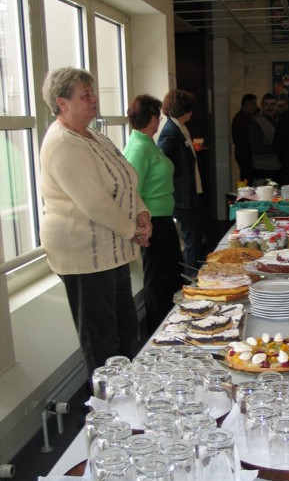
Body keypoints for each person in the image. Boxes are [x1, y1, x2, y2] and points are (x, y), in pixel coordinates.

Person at [39, 67, 152, 379]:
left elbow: (127, 179)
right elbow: (95, 202)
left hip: (112, 251)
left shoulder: (94, 136)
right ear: (62, 103)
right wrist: (133, 231)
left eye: (92, 92)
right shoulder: (63, 143)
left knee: (126, 330)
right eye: (85, 95)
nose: (94, 99)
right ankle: (108, 405)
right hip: (84, 256)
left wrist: (141, 212)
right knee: (102, 343)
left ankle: (130, 395)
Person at [123, 94, 183, 335]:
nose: (159, 121)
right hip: (152, 222)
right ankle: (158, 332)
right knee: (158, 279)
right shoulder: (138, 148)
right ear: (150, 119)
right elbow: (131, 192)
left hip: (163, 219)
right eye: (157, 116)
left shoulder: (147, 143)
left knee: (172, 274)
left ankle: (173, 324)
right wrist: (140, 227)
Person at [157, 89, 221, 274]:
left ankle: (198, 270)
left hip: (192, 194)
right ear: (183, 109)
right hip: (182, 197)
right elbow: (163, 163)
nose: (192, 112)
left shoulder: (181, 128)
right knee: (193, 239)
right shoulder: (170, 132)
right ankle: (191, 278)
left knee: (212, 232)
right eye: (190, 109)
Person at [248, 93, 282, 186]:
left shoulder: (279, 120)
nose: (270, 107)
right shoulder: (256, 122)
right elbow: (256, 147)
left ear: (276, 106)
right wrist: (278, 147)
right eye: (266, 105)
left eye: (272, 104)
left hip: (277, 167)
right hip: (262, 169)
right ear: (262, 106)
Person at [231, 93, 257, 181]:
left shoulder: (240, 117)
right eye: (254, 104)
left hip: (242, 152)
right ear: (248, 104)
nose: (255, 107)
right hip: (245, 153)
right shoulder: (244, 119)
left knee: (246, 177)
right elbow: (249, 138)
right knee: (248, 178)